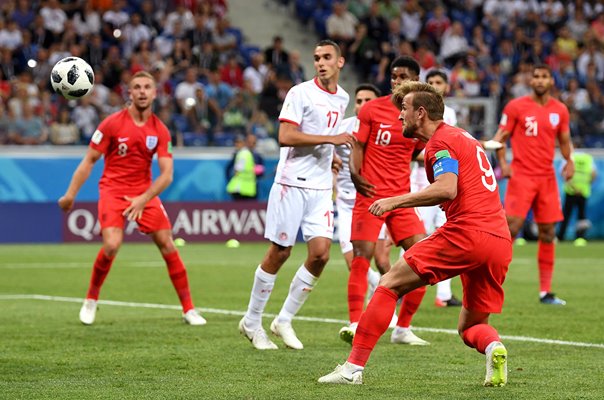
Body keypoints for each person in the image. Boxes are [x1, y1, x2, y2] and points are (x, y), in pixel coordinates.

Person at [319, 81, 512, 387]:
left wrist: (395, 200)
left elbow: (447, 187)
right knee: (470, 326)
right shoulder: (465, 138)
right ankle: (494, 347)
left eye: (405, 110)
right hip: (499, 240)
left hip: (467, 232)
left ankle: (352, 369)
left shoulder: (440, 142)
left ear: (421, 113)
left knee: (388, 284)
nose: (400, 118)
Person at [58, 71, 206, 326]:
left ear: (155, 93)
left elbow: (167, 175)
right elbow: (89, 161)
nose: (142, 91)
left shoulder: (160, 130)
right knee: (112, 245)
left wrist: (142, 199)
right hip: (113, 191)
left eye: (147, 87)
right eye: (137, 87)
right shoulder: (112, 124)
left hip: (143, 193)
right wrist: (70, 195)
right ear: (130, 92)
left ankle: (189, 309)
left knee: (167, 244)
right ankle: (91, 299)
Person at [238, 40, 355, 350]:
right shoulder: (299, 92)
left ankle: (284, 319)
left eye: (327, 57)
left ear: (340, 63)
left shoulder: (342, 97)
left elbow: (323, 137)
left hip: (320, 187)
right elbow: (286, 136)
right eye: (316, 57)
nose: (320, 62)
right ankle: (252, 321)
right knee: (281, 252)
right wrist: (330, 140)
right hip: (292, 183)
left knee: (320, 255)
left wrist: (330, 153)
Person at [339, 56, 429, 347]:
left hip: (401, 199)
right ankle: (354, 323)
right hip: (370, 194)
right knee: (362, 256)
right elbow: (359, 146)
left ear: (415, 80)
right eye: (393, 76)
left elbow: (420, 151)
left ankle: (403, 329)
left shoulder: (418, 116)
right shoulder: (373, 109)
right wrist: (355, 175)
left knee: (424, 260)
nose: (396, 81)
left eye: (403, 76)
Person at [492, 64, 574, 306]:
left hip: (547, 178)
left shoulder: (560, 110)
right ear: (531, 81)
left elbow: (565, 140)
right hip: (522, 176)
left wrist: (569, 161)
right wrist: (503, 163)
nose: (540, 80)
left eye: (544, 76)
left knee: (548, 233)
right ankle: (493, 283)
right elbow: (501, 138)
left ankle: (545, 292)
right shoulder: (515, 107)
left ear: (551, 81)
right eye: (536, 76)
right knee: (511, 228)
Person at [334, 83, 382, 300]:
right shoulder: (342, 128)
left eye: (368, 100)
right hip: (346, 203)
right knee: (352, 261)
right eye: (359, 101)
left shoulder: (386, 132)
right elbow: (324, 150)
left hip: (376, 202)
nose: (362, 105)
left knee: (381, 260)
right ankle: (382, 289)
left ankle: (384, 296)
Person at [418, 69, 461, 307]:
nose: (435, 85)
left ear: (446, 86)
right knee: (417, 234)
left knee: (446, 233)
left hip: (444, 181)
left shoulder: (450, 114)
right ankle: (403, 286)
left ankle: (444, 294)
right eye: (430, 82)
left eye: (438, 82)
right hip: (421, 181)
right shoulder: (418, 113)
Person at [557, 151, 597, 245]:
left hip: (571, 190)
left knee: (566, 215)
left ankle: (560, 237)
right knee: (581, 215)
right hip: (583, 191)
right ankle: (580, 238)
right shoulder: (588, 158)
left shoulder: (569, 156)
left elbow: (562, 172)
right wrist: (587, 185)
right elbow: (594, 174)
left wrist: (573, 186)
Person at [226, 133, 264, 200]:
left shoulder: (258, 157)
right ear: (245, 142)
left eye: (254, 143)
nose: (251, 145)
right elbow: (229, 169)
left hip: (252, 188)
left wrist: (257, 173)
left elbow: (261, 173)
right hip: (239, 189)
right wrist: (230, 180)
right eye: (249, 142)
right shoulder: (239, 154)